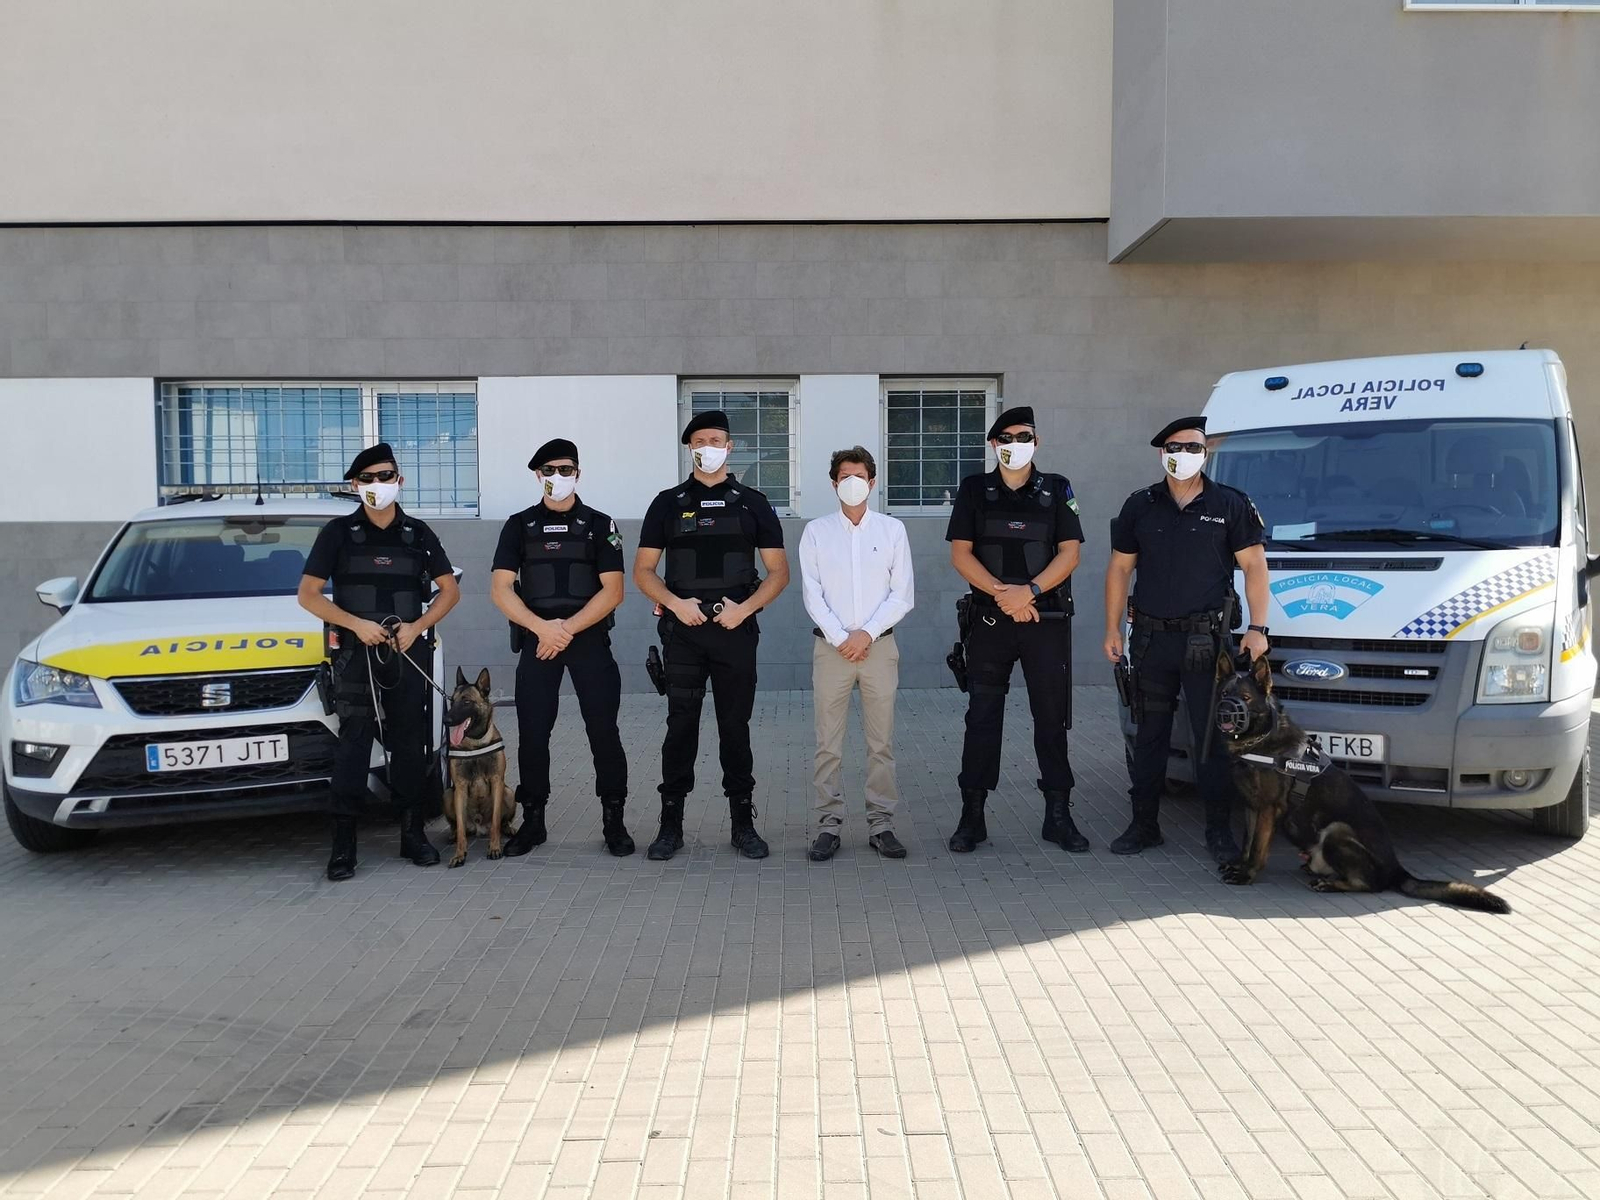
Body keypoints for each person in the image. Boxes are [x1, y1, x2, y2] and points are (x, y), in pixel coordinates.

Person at [1103, 415, 1271, 861]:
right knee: (1149, 735)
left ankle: (1218, 832)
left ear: (1205, 453)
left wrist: (1257, 628)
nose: (1184, 455)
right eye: (1176, 447)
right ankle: (1143, 826)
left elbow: (1254, 566)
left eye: (1193, 448)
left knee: (1212, 738)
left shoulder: (1230, 504)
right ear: (1163, 453)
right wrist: (1112, 628)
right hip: (1152, 641)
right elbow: (1120, 569)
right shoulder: (1140, 505)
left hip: (1207, 645)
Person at [633, 409, 790, 861]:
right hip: (682, 630)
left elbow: (778, 573)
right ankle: (670, 825)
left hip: (735, 628)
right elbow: (644, 571)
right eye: (700, 440)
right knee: (680, 726)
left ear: (729, 447)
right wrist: (676, 603)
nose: (708, 447)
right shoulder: (666, 502)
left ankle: (743, 824)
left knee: (734, 728)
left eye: (716, 440)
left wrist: (745, 609)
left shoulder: (753, 502)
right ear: (690, 447)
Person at [299, 442, 460, 881]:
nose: (377, 485)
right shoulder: (337, 532)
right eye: (367, 479)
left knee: (410, 746)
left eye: (385, 476)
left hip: (407, 653)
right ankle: (344, 845)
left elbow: (450, 590)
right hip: (357, 656)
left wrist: (418, 626)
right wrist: (355, 624)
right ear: (355, 485)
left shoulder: (419, 533)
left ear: (399, 481)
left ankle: (412, 836)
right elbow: (308, 595)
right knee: (353, 749)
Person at [945, 406, 1086, 855]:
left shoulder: (1057, 488)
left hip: (1045, 620)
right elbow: (961, 554)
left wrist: (1030, 591)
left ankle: (1058, 816)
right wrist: (1004, 594)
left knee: (1050, 717)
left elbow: (1069, 553)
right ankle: (972, 816)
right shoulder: (974, 489)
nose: (1014, 444)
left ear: (1036, 442)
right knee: (982, 717)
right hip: (990, 620)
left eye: (1023, 436)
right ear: (993, 445)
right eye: (1005, 438)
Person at [490, 438, 632, 857]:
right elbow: (500, 590)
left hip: (585, 639)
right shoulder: (518, 525)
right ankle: (532, 822)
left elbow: (614, 591)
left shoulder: (601, 523)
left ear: (578, 474)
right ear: (538, 475)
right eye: (549, 470)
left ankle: (614, 820)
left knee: (603, 732)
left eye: (566, 469)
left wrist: (564, 629)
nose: (558, 477)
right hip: (538, 642)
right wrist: (541, 629)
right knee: (533, 733)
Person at [798, 447, 915, 861]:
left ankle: (881, 824)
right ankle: (828, 825)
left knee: (879, 742)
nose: (851, 482)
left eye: (859, 475)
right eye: (843, 475)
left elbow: (902, 595)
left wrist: (865, 634)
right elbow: (812, 593)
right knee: (827, 743)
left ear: (871, 481)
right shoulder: (816, 531)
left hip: (879, 648)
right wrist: (840, 637)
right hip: (831, 650)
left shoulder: (892, 531)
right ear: (833, 483)